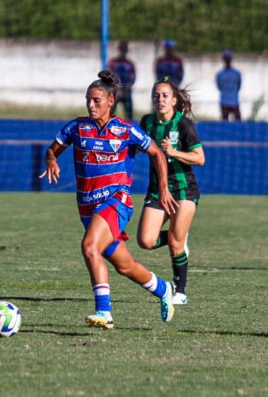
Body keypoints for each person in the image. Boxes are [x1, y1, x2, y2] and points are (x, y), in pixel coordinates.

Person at [40, 69, 177, 329]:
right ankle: (163, 289)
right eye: (88, 100)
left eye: (96, 100)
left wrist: (164, 189)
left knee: (90, 246)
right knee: (124, 266)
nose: (91, 105)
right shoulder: (77, 127)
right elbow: (52, 149)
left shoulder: (126, 130)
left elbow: (157, 154)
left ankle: (105, 312)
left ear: (110, 102)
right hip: (88, 208)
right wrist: (51, 159)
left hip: (117, 202)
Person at [137, 77, 205, 306]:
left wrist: (174, 152)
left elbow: (200, 158)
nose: (160, 100)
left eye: (165, 95)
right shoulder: (146, 122)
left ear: (174, 100)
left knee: (176, 243)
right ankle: (179, 233)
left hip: (184, 189)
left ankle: (181, 291)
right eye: (156, 95)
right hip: (157, 190)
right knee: (145, 241)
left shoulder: (183, 124)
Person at [106, 40, 137, 120]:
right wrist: (116, 89)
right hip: (115, 93)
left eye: (124, 49)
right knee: (109, 115)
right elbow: (109, 76)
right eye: (122, 49)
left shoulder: (130, 64)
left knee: (129, 116)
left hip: (126, 93)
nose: (123, 51)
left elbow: (132, 78)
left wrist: (125, 89)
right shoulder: (112, 62)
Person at [216, 49, 242, 121]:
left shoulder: (220, 74)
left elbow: (219, 86)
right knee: (238, 124)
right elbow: (239, 86)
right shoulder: (236, 73)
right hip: (233, 102)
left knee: (225, 125)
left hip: (225, 102)